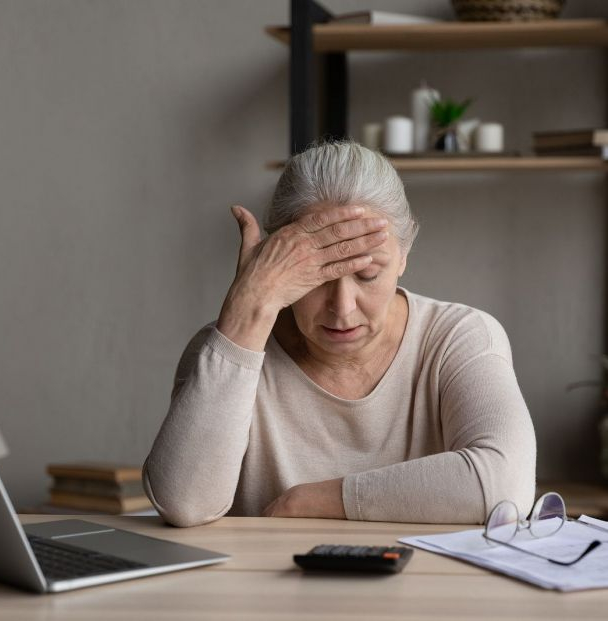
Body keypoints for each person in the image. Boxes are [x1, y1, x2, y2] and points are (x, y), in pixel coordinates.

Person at [143, 140, 536, 527]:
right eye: (315, 276)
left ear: (404, 253)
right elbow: (184, 503)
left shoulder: (457, 336)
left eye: (368, 274)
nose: (342, 308)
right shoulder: (227, 348)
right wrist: (248, 310)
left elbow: (504, 486)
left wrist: (311, 500)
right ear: (274, 258)